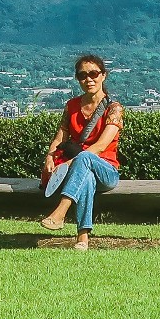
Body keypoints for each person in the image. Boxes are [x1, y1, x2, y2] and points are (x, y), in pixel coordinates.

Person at [39, 54, 122, 250]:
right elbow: (60, 138)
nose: (89, 79)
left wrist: (70, 163)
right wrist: (50, 157)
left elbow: (101, 146)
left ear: (103, 75)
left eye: (94, 73)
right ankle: (82, 238)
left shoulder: (114, 109)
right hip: (82, 172)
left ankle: (60, 212)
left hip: (107, 170)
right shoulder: (72, 106)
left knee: (84, 158)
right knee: (86, 178)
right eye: (83, 75)